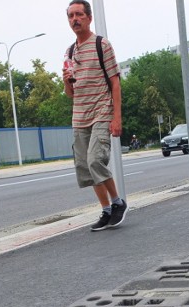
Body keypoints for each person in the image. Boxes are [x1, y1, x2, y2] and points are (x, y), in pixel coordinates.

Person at [63, 0, 127, 231]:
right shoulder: (70, 52)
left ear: (89, 17)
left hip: (101, 111)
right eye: (71, 16)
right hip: (79, 116)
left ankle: (118, 202)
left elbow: (115, 82)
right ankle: (106, 209)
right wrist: (66, 81)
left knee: (95, 160)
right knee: (84, 167)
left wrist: (116, 117)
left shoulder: (102, 45)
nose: (75, 19)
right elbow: (70, 93)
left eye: (79, 14)